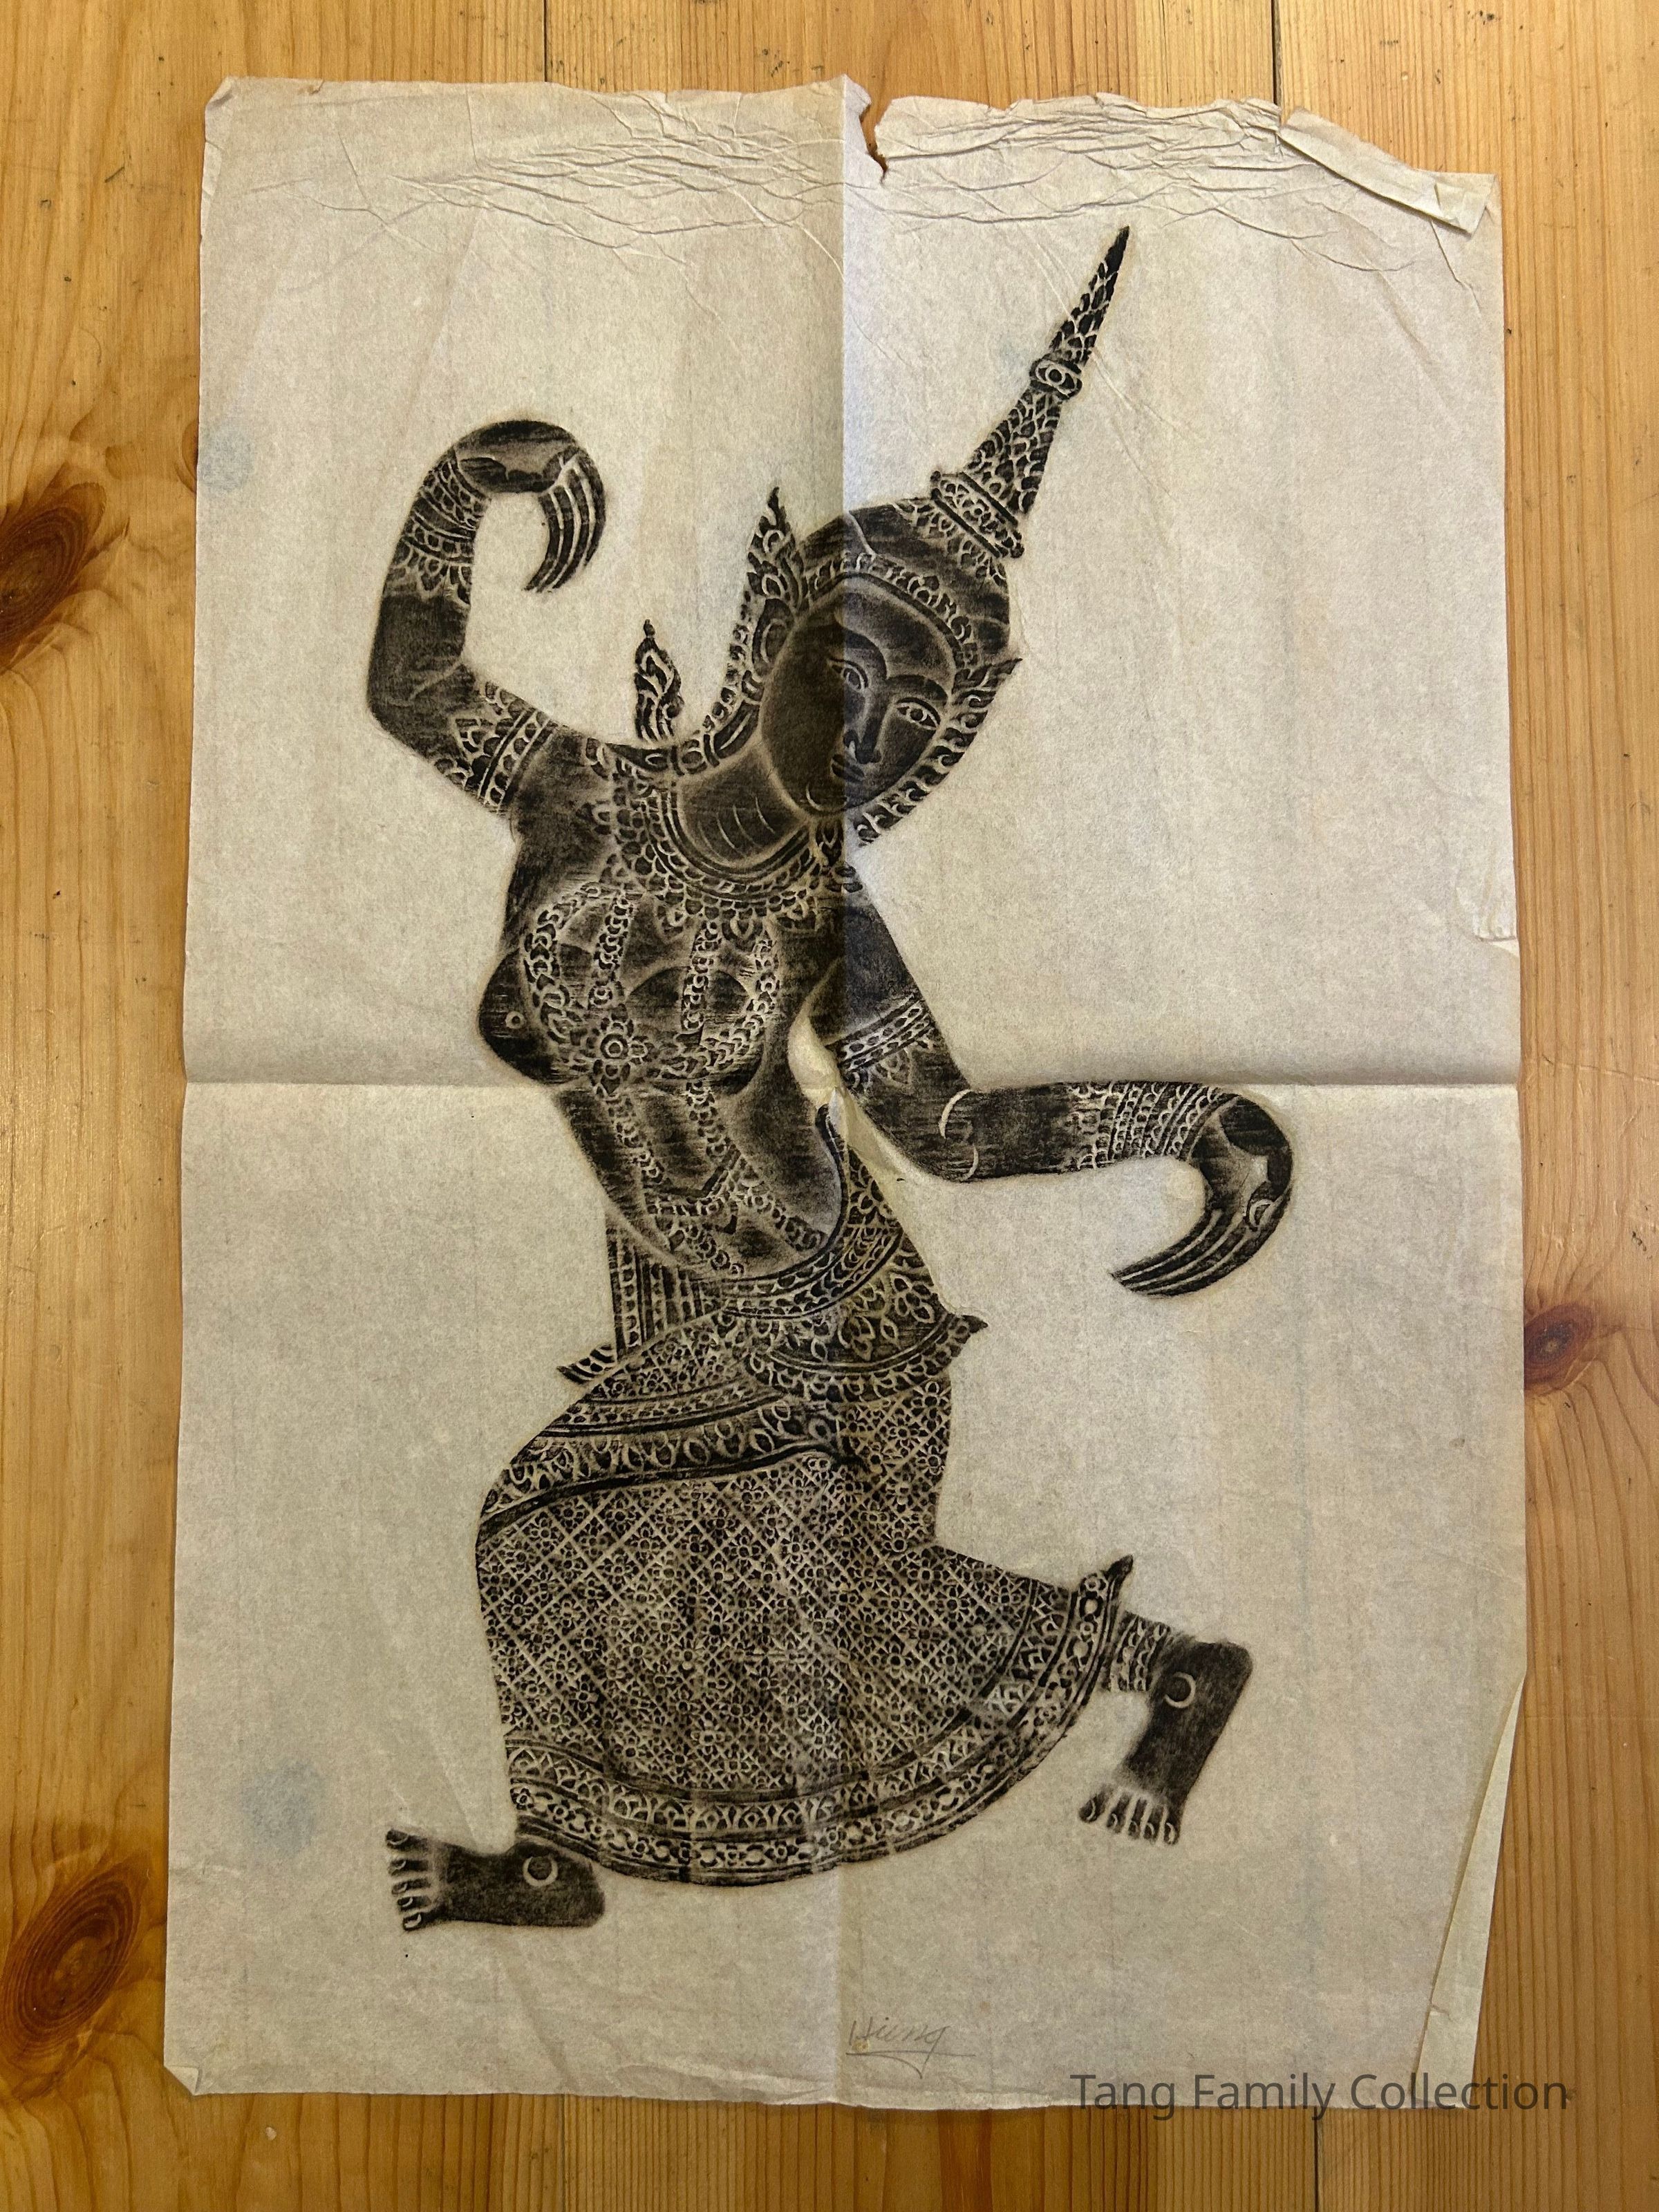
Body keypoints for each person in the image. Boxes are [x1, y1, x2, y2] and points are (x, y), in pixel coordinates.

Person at [366, 230, 1292, 1931]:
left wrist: (1190, 1122)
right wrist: (467, 481)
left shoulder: (825, 918)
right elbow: (415, 687)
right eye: (857, 669)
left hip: (825, 1306)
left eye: (913, 722)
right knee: (604, 1568)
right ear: (787, 633)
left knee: (766, 1588)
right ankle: (563, 1857)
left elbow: (949, 1125)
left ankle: (1178, 1670)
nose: (870, 730)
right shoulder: (582, 795)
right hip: (681, 1296)